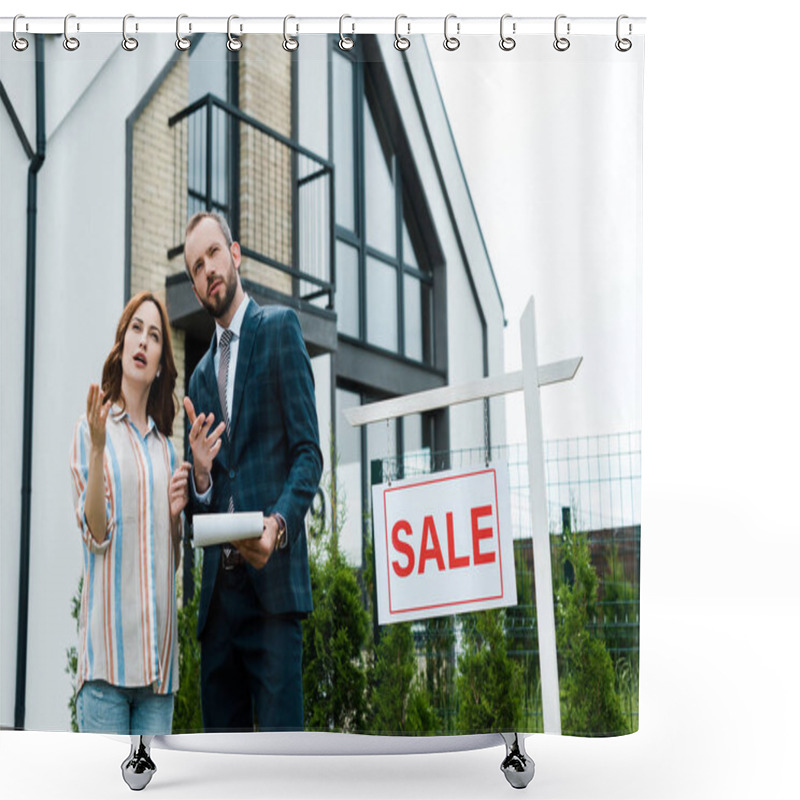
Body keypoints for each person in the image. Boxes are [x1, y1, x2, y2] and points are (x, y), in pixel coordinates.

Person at [182, 211, 322, 732]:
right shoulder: (198, 379)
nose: (208, 270)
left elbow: (309, 455)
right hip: (220, 603)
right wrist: (199, 475)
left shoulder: (281, 330)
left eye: (214, 254)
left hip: (274, 588)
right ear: (195, 285)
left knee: (285, 769)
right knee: (223, 772)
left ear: (235, 254)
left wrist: (278, 526)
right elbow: (200, 506)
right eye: (197, 266)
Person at [69, 291, 190, 738]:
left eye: (154, 335)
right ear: (121, 348)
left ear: (160, 363)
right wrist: (100, 450)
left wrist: (176, 518)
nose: (143, 341)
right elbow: (95, 535)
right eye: (136, 330)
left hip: (158, 681)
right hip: (106, 678)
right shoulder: (91, 430)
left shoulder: (166, 450)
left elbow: (169, 560)